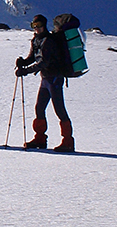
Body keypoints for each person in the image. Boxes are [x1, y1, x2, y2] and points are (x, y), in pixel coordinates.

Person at [15, 14, 75, 151]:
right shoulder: (37, 40)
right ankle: (40, 139)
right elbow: (33, 58)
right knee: (39, 108)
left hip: (54, 78)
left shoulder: (48, 41)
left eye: (39, 26)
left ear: (44, 25)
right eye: (34, 26)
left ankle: (68, 141)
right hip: (46, 79)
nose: (36, 29)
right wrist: (23, 62)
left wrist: (26, 71)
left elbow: (43, 62)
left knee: (59, 109)